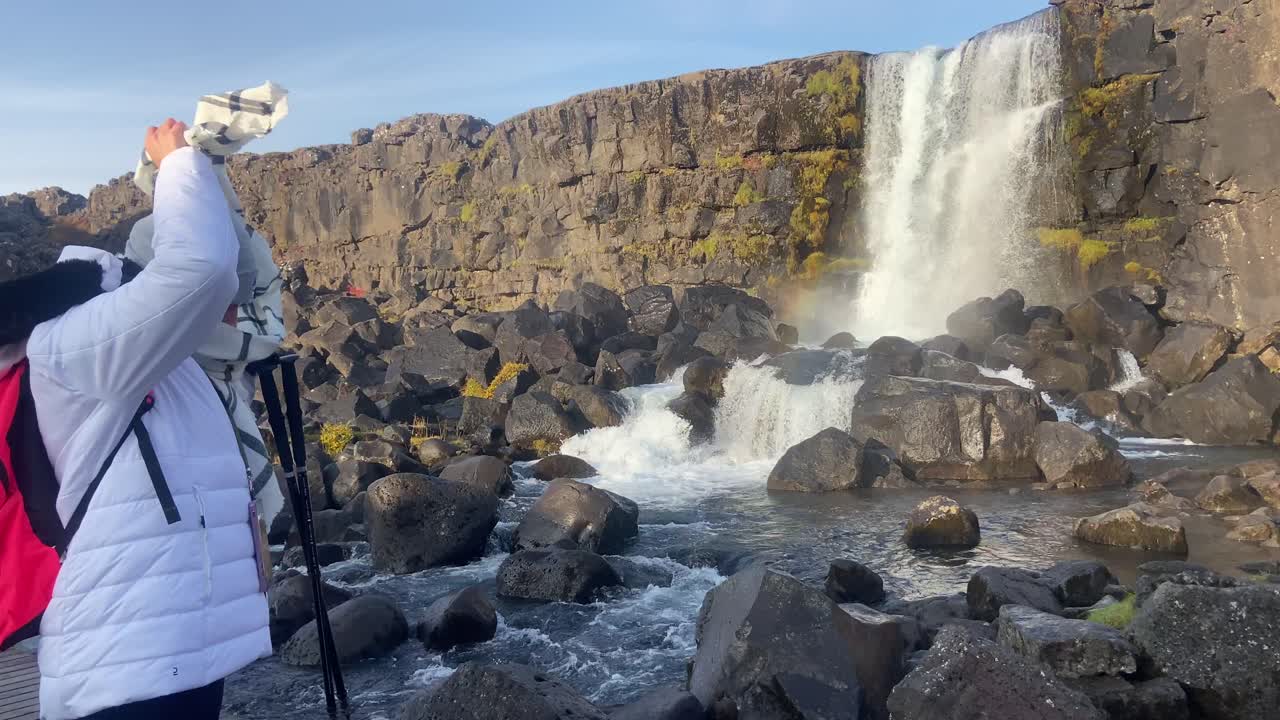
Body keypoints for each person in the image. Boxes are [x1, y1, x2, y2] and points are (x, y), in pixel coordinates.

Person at [26, 119, 271, 720]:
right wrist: (178, 166)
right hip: (120, 668)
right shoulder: (69, 347)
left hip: (179, 650)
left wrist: (253, 529)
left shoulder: (169, 360)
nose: (231, 303)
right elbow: (200, 273)